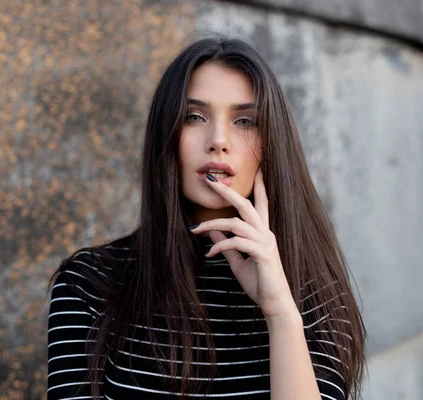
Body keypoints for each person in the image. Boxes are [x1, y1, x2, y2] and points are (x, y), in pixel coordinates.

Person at [46, 35, 366, 399]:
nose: (218, 140)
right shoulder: (91, 282)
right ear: (166, 133)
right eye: (194, 117)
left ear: (273, 144)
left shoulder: (315, 291)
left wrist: (280, 315)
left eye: (245, 121)